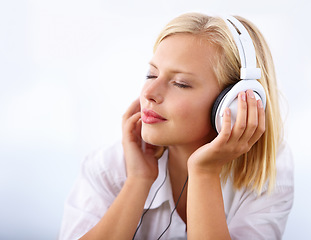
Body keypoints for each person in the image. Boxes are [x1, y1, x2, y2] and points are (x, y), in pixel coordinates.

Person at [59, 12, 294, 240]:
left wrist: (204, 173)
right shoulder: (108, 167)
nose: (148, 94)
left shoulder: (268, 172)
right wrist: (138, 180)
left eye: (180, 83)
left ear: (231, 102)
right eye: (151, 75)